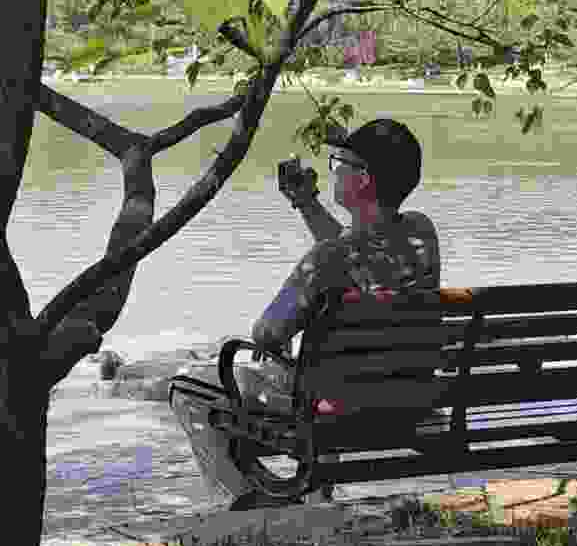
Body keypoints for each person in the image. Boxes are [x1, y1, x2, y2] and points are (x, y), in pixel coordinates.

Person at [166, 117, 441, 508]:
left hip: (337, 406)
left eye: (339, 164)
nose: (333, 172)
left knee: (187, 387)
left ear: (364, 179)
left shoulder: (325, 259)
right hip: (405, 396)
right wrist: (306, 203)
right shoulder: (420, 233)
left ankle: (240, 503)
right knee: (323, 372)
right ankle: (312, 495)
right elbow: (358, 252)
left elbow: (266, 333)